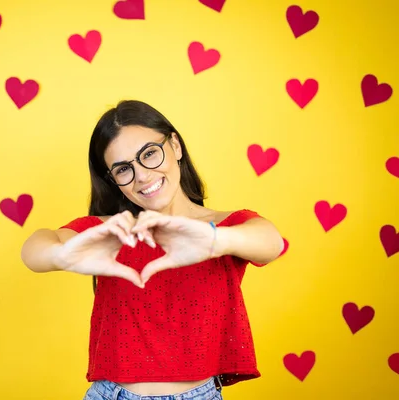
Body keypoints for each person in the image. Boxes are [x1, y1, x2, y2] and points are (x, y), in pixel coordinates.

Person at [20, 100, 284, 400]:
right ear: (114, 180)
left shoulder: (223, 228)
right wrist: (59, 255)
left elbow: (272, 242)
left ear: (175, 145)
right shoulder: (110, 231)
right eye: (123, 169)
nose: (142, 176)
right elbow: (35, 248)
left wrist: (214, 240)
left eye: (148, 154)